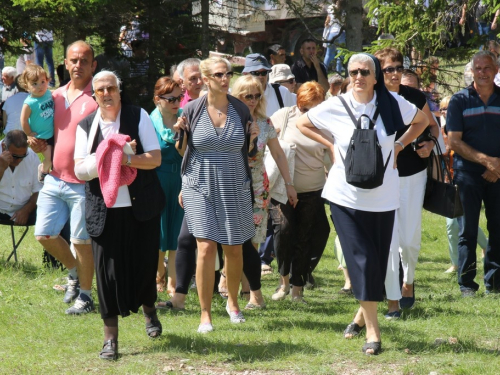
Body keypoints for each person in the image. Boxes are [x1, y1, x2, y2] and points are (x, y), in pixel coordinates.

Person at [297, 53, 428, 355]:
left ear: (376, 75)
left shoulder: (392, 103)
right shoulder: (335, 106)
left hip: (384, 197)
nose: (359, 77)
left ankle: (359, 317)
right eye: (353, 72)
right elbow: (303, 122)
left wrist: (398, 145)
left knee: (379, 264)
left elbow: (422, 120)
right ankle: (373, 330)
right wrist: (330, 145)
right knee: (362, 259)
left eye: (365, 72)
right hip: (344, 197)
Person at [74, 70, 163, 360]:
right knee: (107, 276)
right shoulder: (86, 125)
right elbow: (79, 169)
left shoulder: (139, 117)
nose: (107, 93)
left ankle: (149, 310)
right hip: (105, 211)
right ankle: (110, 339)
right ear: (94, 95)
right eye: (100, 90)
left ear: (119, 90)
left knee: (144, 267)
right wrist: (103, 157)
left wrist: (124, 158)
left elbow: (155, 158)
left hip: (141, 208)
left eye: (111, 87)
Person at [180, 57, 255, 333]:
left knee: (234, 248)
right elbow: (184, 152)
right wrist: (180, 135)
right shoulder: (191, 110)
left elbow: (248, 152)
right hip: (198, 184)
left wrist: (255, 138)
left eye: (229, 74)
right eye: (219, 74)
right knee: (206, 247)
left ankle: (233, 303)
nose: (226, 79)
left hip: (234, 184)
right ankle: (204, 314)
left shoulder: (241, 110)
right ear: (206, 78)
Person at [33, 40, 99, 315]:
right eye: (73, 60)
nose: (78, 65)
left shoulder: (99, 96)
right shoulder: (54, 96)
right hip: (54, 178)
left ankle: (85, 295)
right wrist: (41, 148)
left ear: (93, 65)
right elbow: (49, 134)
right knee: (43, 234)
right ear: (65, 63)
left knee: (81, 241)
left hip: (85, 183)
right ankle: (73, 273)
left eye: (84, 60)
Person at [374, 47, 440, 318]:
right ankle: (392, 297)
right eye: (389, 69)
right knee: (388, 241)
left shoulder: (413, 96)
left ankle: (408, 280)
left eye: (398, 68)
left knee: (409, 240)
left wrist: (427, 143)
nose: (394, 74)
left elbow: (432, 126)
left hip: (413, 173)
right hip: (381, 177)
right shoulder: (371, 98)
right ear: (379, 72)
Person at [269, 81, 331, 303]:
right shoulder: (284, 116)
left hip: (312, 189)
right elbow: (267, 140)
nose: (310, 114)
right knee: (283, 232)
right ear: (298, 104)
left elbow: (333, 156)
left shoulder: (328, 122)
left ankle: (297, 289)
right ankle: (283, 281)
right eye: (306, 109)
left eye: (315, 108)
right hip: (282, 189)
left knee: (305, 238)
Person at [447, 50, 500, 296]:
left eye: (487, 67)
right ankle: (467, 284)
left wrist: (496, 166)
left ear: (496, 70)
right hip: (467, 174)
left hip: (499, 174)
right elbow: (453, 141)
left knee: (498, 227)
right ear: (471, 71)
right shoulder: (459, 100)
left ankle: (495, 282)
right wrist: (487, 161)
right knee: (467, 230)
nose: (482, 72)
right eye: (478, 68)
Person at [439, 95, 488, 274]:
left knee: (459, 222)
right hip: (447, 182)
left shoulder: (463, 130)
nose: (445, 111)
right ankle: (458, 262)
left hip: (462, 179)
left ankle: (463, 260)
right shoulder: (440, 130)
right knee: (453, 224)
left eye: (448, 108)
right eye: (442, 108)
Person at [150, 76, 186, 296]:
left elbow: (184, 153)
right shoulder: (148, 121)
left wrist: (181, 132)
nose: (176, 103)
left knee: (176, 233)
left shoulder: (184, 118)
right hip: (157, 179)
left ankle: (172, 284)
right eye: (170, 98)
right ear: (158, 99)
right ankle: (158, 277)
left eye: (179, 98)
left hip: (181, 180)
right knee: (158, 234)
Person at [19, 64, 54, 181]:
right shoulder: (29, 102)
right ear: (26, 86)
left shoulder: (49, 93)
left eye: (43, 82)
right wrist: (28, 134)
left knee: (57, 158)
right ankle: (43, 171)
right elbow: (23, 120)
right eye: (34, 84)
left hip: (53, 132)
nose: (40, 86)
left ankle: (52, 174)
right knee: (50, 159)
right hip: (41, 137)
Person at [0, 130, 42, 226]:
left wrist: (26, 210)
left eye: (23, 156)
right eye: (14, 156)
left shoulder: (32, 157)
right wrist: (1, 167)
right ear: (3, 147)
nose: (19, 160)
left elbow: (40, 191)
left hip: (24, 208)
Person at [242, 54, 295, 123]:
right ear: (245, 74)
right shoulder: (238, 96)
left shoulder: (282, 92)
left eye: (264, 73)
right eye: (255, 73)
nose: (260, 76)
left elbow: (292, 121)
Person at [323, 1, 346, 73]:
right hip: (341, 33)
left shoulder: (330, 9)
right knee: (340, 54)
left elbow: (327, 23)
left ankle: (324, 71)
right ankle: (338, 71)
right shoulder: (344, 11)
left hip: (332, 34)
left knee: (328, 54)